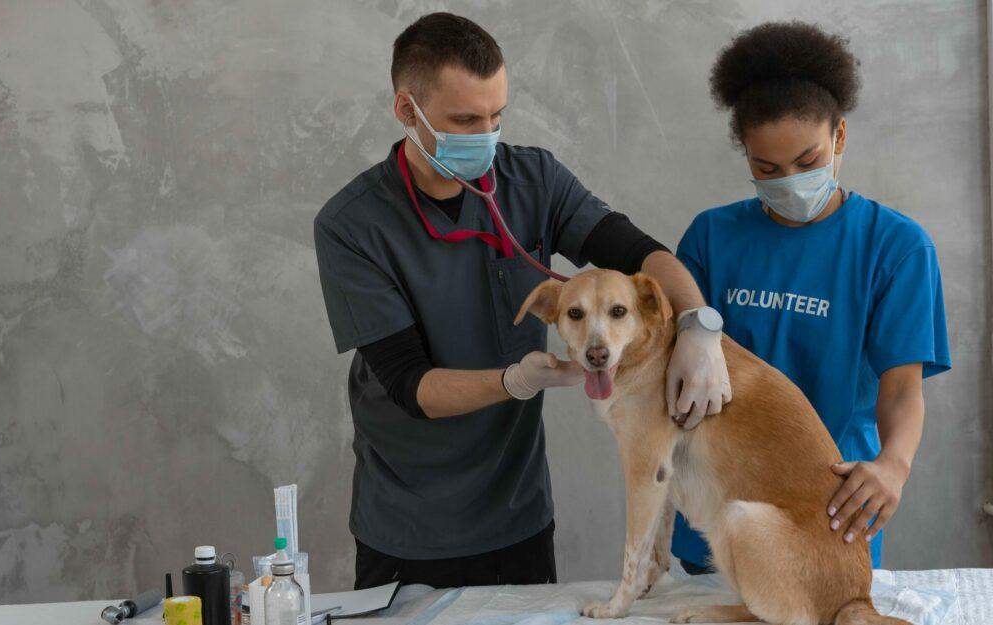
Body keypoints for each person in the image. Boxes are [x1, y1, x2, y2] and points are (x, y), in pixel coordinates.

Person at [314, 12, 731, 589]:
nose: (486, 136)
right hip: (410, 521)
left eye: (496, 116)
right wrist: (517, 381)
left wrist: (699, 327)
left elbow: (641, 252)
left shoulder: (532, 179)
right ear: (407, 111)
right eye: (465, 120)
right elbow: (411, 385)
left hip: (517, 513)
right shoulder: (352, 225)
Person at [672, 21, 951, 573]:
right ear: (746, 154)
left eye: (807, 162)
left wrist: (893, 466)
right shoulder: (710, 237)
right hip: (718, 506)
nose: (789, 181)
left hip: (829, 512)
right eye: (766, 169)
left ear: (840, 137)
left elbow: (901, 390)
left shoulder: (895, 248)